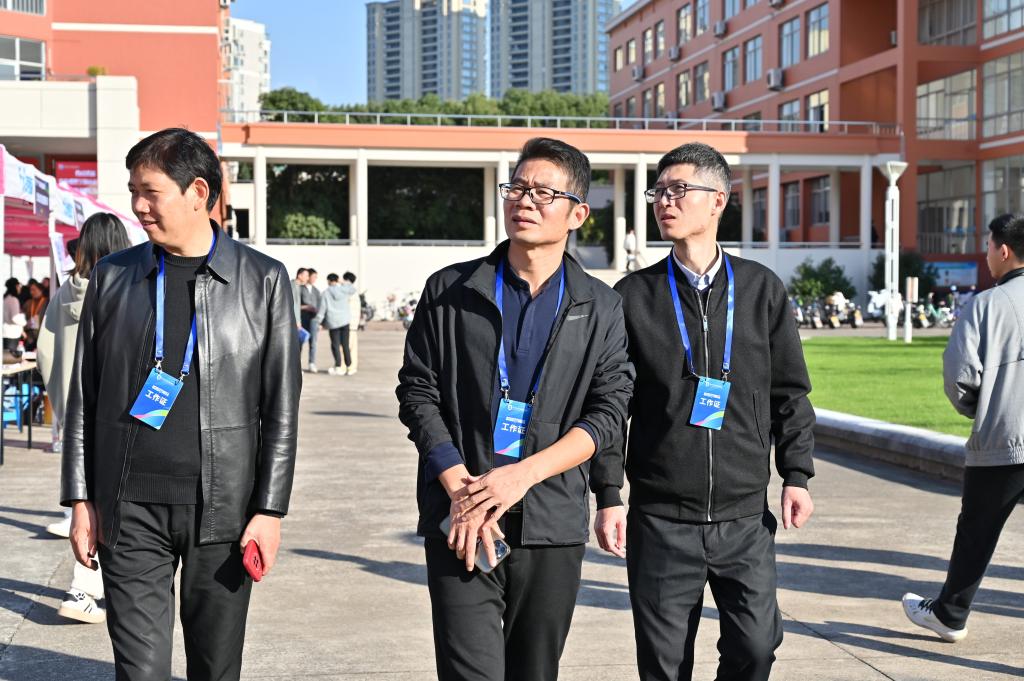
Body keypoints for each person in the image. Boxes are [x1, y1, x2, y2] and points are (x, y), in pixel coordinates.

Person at [61, 127, 301, 681]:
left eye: (150, 192)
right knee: (140, 671)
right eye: (133, 192)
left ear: (197, 192)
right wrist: (80, 498)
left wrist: (269, 511)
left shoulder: (262, 280)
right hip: (128, 509)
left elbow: (281, 411)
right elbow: (84, 396)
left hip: (224, 513)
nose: (137, 206)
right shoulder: (113, 277)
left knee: (215, 669)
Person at [397, 137, 634, 681]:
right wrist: (461, 488)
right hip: (461, 515)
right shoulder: (450, 290)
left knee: (534, 671)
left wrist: (521, 477)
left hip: (551, 522)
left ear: (578, 213)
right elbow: (418, 392)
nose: (524, 200)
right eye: (517, 187)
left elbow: (608, 411)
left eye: (543, 192)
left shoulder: (600, 305)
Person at [593, 142, 815, 681]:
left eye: (678, 190)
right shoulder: (632, 296)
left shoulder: (761, 289)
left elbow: (790, 393)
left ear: (718, 200)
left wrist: (796, 474)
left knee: (756, 648)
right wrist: (609, 493)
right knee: (664, 666)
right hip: (660, 519)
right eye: (658, 192)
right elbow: (612, 404)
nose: (664, 202)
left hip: (744, 518)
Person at [902, 213, 1024, 643]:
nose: (988, 254)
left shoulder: (986, 305)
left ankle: (950, 614)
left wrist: (980, 408)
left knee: (977, 531)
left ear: (1003, 250)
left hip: (1004, 438)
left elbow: (959, 374)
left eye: (988, 246)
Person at [37, 212, 132, 623]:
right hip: (119, 413)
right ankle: (83, 588)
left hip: (76, 413)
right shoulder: (127, 286)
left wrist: (63, 401)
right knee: (111, 501)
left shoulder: (64, 293)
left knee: (87, 500)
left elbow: (45, 353)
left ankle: (90, 586)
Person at [313, 272, 357, 376]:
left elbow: (322, 309)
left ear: (328, 281)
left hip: (333, 322)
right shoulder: (343, 289)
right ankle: (349, 366)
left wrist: (318, 322)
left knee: (335, 345)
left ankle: (338, 366)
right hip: (345, 321)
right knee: (345, 344)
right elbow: (353, 289)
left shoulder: (325, 293)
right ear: (337, 280)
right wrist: (343, 283)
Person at [300, 268, 321, 372]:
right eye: (314, 276)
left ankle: (311, 363)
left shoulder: (316, 291)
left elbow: (320, 306)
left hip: (313, 320)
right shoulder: (300, 289)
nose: (315, 279)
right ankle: (297, 364)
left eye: (316, 277)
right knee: (299, 341)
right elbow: (295, 304)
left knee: (313, 342)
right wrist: (305, 307)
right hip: (302, 319)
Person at [21, 279, 48, 350]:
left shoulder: (47, 302)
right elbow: (22, 316)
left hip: (42, 333)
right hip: (30, 334)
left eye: (34, 290)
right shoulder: (28, 302)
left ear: (41, 290)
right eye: (30, 290)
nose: (31, 292)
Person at [3, 278, 25, 354]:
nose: (20, 288)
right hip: (12, 334)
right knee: (10, 357)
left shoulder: (5, 298)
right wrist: (25, 322)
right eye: (19, 286)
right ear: (15, 286)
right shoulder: (13, 300)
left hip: (5, 332)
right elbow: (15, 318)